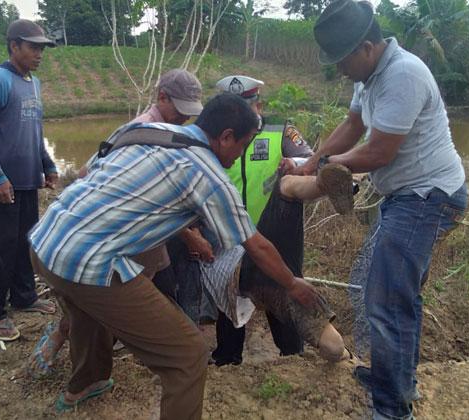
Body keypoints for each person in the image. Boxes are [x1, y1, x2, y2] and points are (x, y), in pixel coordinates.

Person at [27, 93, 321, 417]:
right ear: (226, 137)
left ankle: (86, 383)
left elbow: (86, 175)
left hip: (45, 243)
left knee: (86, 308)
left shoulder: (142, 132)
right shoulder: (207, 175)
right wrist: (292, 284)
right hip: (87, 259)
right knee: (188, 355)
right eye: (244, 144)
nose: (243, 154)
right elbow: (257, 246)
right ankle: (92, 379)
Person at [299, 1, 469, 419]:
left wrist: (330, 169)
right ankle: (398, 381)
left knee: (385, 301)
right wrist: (311, 160)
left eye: (343, 60)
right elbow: (353, 126)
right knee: (399, 297)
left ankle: (392, 409)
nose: (340, 70)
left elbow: (378, 151)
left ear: (369, 47)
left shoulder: (403, 75)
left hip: (428, 197)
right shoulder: (370, 75)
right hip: (406, 196)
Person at [27, 69, 210, 377]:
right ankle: (63, 339)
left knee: (161, 287)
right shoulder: (142, 134)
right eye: (180, 109)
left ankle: (161, 350)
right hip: (120, 237)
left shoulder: (161, 132)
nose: (185, 118)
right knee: (102, 303)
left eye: (190, 112)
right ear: (161, 97)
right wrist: (192, 237)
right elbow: (116, 189)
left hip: (142, 237)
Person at [208, 75, 354, 366]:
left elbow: (309, 159)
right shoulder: (216, 136)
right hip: (230, 235)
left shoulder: (280, 130)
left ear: (258, 105)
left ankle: (293, 359)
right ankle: (228, 361)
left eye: (246, 108)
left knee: (283, 298)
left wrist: (294, 164)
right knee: (230, 304)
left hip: (274, 231)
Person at [0, 19, 59, 341]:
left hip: (26, 180)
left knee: (25, 242)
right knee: (0, 247)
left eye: (42, 48)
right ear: (14, 46)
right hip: (1, 183)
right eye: (33, 47)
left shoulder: (33, 83)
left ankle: (24, 297)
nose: (39, 53)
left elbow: (35, 131)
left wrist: (47, 164)